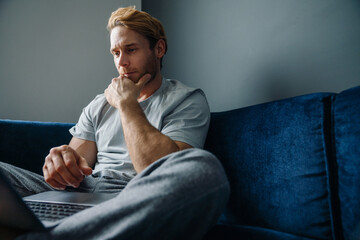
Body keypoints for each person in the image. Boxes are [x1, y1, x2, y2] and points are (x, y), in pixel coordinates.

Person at [0, 6, 230, 239]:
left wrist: (127, 104)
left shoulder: (186, 99)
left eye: (130, 50)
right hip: (85, 191)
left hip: (135, 197)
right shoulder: (99, 104)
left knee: (203, 169)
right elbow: (76, 164)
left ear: (158, 49)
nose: (122, 62)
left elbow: (157, 166)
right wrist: (61, 162)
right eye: (116, 53)